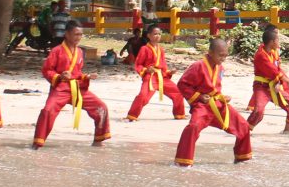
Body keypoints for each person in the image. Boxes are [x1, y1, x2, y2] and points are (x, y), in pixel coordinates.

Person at [32, 20, 111, 149]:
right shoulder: (57, 51)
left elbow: (77, 73)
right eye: (76, 34)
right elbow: (47, 70)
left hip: (77, 87)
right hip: (61, 88)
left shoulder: (80, 52)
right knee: (47, 111)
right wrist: (59, 76)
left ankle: (98, 140)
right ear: (67, 34)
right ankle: (38, 142)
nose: (78, 37)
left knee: (101, 107)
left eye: (80, 35)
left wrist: (87, 77)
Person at [175, 38, 252, 166]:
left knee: (243, 125)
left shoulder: (220, 68)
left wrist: (222, 97)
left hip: (218, 104)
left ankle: (242, 158)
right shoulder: (198, 66)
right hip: (202, 106)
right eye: (220, 55)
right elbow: (182, 84)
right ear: (210, 52)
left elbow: (215, 89)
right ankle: (183, 162)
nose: (223, 58)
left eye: (225, 55)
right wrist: (199, 97)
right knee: (193, 127)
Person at [125, 24, 186, 121]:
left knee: (178, 92)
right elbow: (138, 64)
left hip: (161, 76)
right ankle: (132, 115)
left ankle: (179, 114)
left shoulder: (160, 49)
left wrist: (169, 72)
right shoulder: (144, 49)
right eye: (155, 34)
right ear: (149, 35)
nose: (158, 36)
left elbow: (163, 65)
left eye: (159, 34)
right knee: (143, 96)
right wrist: (146, 70)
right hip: (150, 77)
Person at [246, 27, 289, 133]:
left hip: (273, 85)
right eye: (277, 40)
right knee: (258, 111)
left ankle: (286, 130)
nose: (279, 42)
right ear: (272, 42)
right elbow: (274, 72)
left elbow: (278, 69)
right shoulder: (261, 55)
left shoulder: (273, 52)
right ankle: (244, 131)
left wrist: (279, 82)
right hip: (261, 87)